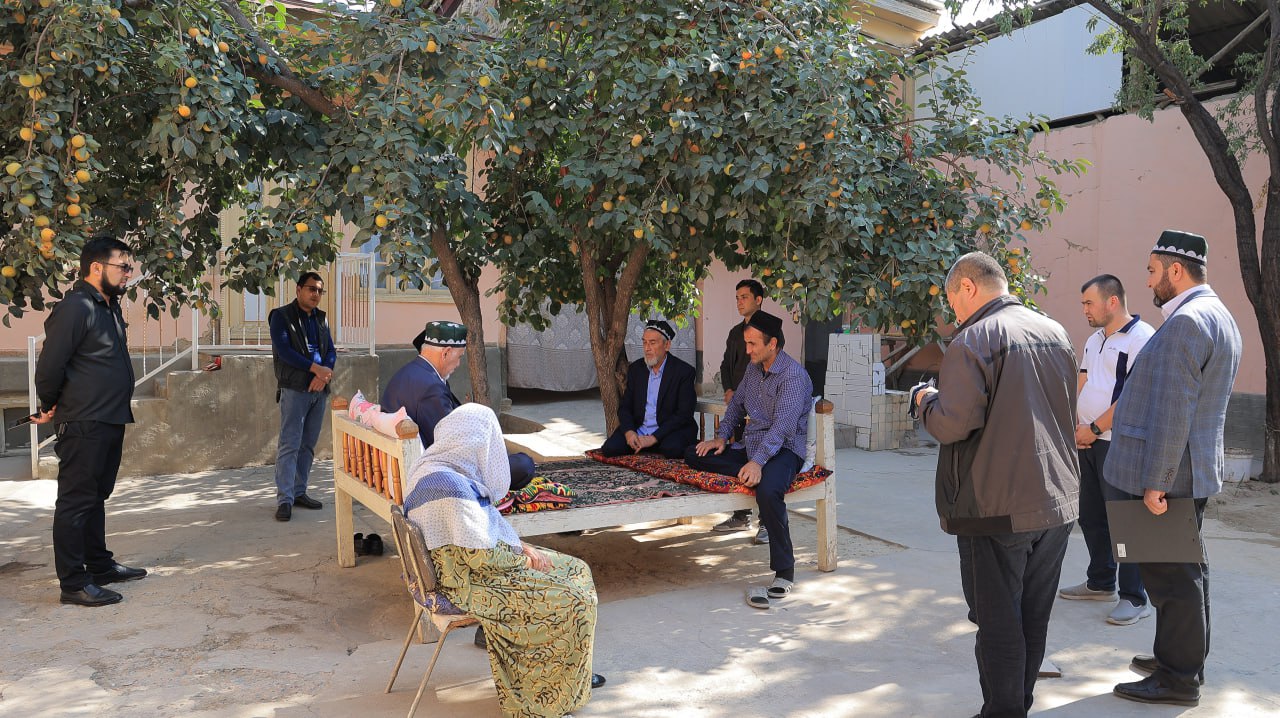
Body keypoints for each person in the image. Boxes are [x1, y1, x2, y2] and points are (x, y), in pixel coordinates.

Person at [913, 251, 1079, 718]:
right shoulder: (1055, 330)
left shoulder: (974, 339)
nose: (954, 315)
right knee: (1032, 616)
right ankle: (1016, 705)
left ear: (968, 287)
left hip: (996, 505)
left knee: (998, 621)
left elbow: (952, 424)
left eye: (953, 303)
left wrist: (924, 399)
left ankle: (1003, 710)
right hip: (1056, 499)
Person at [1105, 231, 1241, 708]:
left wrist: (1155, 483)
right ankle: (1180, 659)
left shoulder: (1187, 321)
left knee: (1171, 579)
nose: (1149, 280)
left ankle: (1178, 679)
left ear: (1175, 271)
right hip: (1191, 472)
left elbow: (1173, 409)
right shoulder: (1217, 315)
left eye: (1151, 270)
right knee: (1187, 572)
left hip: (1169, 477)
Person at [403, 403, 602, 717]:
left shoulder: (431, 467)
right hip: (467, 583)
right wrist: (524, 557)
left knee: (578, 569)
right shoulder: (450, 487)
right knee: (575, 599)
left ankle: (569, 671)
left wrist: (520, 546)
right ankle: (546, 694)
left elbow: (476, 538)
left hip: (463, 570)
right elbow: (481, 558)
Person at [33, 234, 148, 607]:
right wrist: (49, 403)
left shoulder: (108, 306)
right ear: (96, 267)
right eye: (122, 266)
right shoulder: (77, 306)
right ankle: (73, 583)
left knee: (96, 496)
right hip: (84, 421)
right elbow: (50, 365)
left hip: (108, 418)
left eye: (130, 267)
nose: (128, 273)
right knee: (75, 501)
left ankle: (99, 566)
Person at [685, 310, 811, 608]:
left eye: (753, 344)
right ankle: (749, 471)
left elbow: (782, 428)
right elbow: (737, 404)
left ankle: (785, 571)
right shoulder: (754, 369)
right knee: (695, 453)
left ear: (773, 344)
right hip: (749, 447)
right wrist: (721, 437)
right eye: (747, 342)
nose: (748, 350)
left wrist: (758, 463)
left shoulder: (793, 376)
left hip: (783, 450)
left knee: (769, 491)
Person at [1058, 275, 1155, 625]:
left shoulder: (1142, 339)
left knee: (1124, 522)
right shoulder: (1094, 339)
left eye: (1089, 302)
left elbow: (1132, 396)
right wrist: (1076, 428)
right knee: (1091, 517)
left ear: (1112, 301)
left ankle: (1134, 597)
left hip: (1118, 443)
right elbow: (1081, 382)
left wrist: (1096, 427)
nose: (1084, 309)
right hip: (1087, 441)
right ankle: (1101, 581)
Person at [382, 320, 536, 491]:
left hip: (402, 466)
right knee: (524, 465)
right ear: (446, 353)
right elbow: (450, 447)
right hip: (432, 475)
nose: (459, 364)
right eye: (459, 357)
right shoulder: (431, 388)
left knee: (509, 460)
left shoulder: (409, 373)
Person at [269, 271, 336, 522]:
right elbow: (284, 350)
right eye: (311, 289)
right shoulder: (281, 316)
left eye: (319, 290)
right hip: (295, 389)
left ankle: (299, 492)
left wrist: (324, 375)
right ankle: (284, 499)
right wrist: (314, 369)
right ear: (298, 290)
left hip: (319, 390)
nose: (315, 294)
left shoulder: (321, 318)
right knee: (290, 443)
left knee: (308, 445)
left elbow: (329, 350)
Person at [598, 319, 696, 459]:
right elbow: (625, 407)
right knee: (610, 449)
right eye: (644, 342)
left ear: (667, 345)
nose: (647, 348)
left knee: (671, 449)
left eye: (652, 343)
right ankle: (643, 444)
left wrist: (654, 437)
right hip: (640, 429)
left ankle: (654, 444)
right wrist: (629, 432)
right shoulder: (636, 370)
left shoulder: (683, 372)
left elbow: (684, 414)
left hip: (668, 430)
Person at [714, 279, 766, 539]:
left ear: (758, 300)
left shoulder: (768, 329)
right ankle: (740, 514)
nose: (739, 302)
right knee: (735, 457)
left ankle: (766, 520)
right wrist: (729, 389)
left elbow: (766, 368)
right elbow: (726, 365)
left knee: (760, 460)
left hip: (759, 408)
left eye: (744, 297)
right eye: (737, 297)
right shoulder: (735, 332)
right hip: (736, 404)